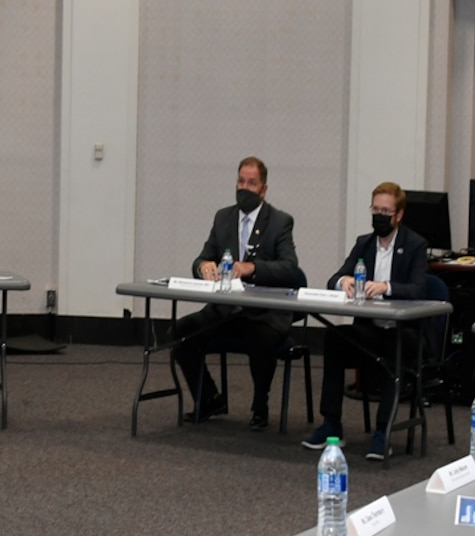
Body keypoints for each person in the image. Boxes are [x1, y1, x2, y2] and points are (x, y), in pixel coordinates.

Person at [172, 157, 304, 430]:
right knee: (180, 333)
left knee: (262, 339)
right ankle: (208, 398)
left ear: (263, 190)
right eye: (240, 181)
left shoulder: (279, 222)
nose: (244, 187)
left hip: (263, 314)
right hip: (224, 311)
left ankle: (260, 406)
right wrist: (203, 266)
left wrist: (251, 268)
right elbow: (201, 259)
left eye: (251, 183)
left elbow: (290, 269)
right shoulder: (223, 218)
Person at [303, 182, 430, 462]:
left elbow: (419, 289)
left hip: (403, 331)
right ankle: (331, 423)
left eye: (386, 211)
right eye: (376, 210)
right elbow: (333, 279)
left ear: (399, 215)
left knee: (391, 350)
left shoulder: (415, 245)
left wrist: (386, 287)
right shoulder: (364, 244)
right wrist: (343, 281)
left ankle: (383, 431)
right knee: (335, 338)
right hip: (369, 329)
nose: (380, 216)